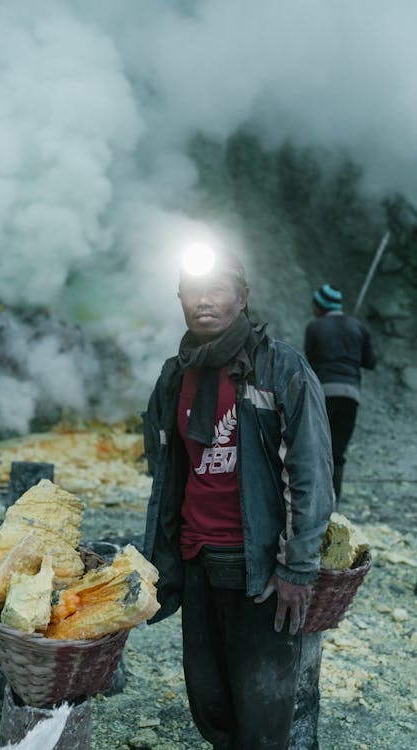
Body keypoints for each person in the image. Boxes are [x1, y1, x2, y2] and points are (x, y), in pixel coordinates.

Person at [142, 250, 334, 750]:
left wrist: (297, 569)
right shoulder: (174, 376)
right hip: (198, 562)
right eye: (192, 290)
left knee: (262, 712)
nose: (204, 301)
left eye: (218, 289)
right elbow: (162, 466)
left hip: (261, 572)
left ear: (243, 297)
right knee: (211, 703)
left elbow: (311, 472)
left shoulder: (280, 368)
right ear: (180, 299)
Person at [304, 284, 376, 502]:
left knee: (316, 445)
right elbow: (370, 362)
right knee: (337, 451)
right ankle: (335, 504)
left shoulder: (315, 327)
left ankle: (315, 500)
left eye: (314, 305)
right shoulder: (357, 327)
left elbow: (310, 361)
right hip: (350, 394)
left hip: (324, 392)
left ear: (320, 306)